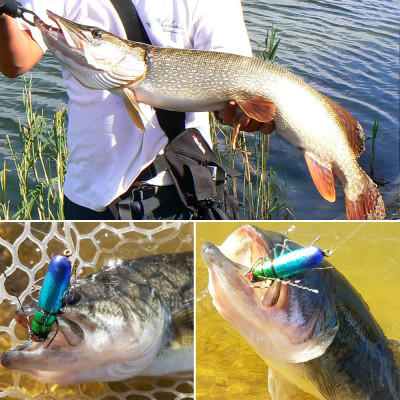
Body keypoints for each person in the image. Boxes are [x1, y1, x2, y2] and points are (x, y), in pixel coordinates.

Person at [0, 0, 274, 220]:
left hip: (182, 191)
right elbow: (15, 63)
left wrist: (241, 115)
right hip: (91, 194)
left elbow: (234, 89)